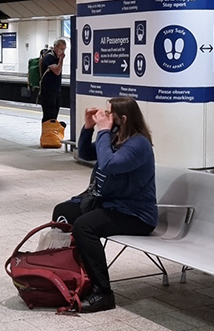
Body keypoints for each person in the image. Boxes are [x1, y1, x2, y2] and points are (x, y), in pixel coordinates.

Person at [52, 97, 157, 313]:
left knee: (84, 226)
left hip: (134, 214)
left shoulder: (139, 144)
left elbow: (109, 165)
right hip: (108, 203)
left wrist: (102, 131)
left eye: (110, 114)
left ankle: (103, 292)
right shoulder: (116, 137)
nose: (105, 117)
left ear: (124, 119)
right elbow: (86, 153)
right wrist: (88, 128)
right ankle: (70, 275)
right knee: (62, 211)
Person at [39, 38, 66, 123]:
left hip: (56, 91)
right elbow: (57, 71)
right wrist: (61, 59)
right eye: (61, 49)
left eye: (64, 49)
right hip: (48, 93)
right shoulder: (49, 58)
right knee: (48, 117)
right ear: (55, 47)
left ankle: (51, 135)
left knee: (54, 117)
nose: (62, 51)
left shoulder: (56, 58)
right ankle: (46, 135)